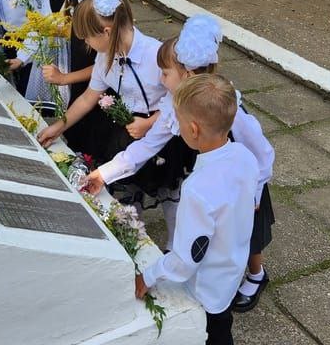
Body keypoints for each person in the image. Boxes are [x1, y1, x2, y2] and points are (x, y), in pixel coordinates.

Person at [86, 15, 275, 289]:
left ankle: (257, 275)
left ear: (186, 75)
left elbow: (263, 153)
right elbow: (147, 145)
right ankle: (221, 279)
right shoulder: (175, 105)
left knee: (249, 234)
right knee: (221, 235)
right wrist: (104, 174)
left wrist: (255, 190)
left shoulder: (229, 109)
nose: (160, 79)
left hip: (247, 182)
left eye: (165, 73)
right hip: (215, 174)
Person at [135, 73, 259, 345]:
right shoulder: (244, 156)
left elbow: (186, 258)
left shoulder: (197, 189)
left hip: (208, 288)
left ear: (193, 129)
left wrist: (148, 275)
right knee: (220, 335)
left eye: (177, 120)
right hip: (232, 267)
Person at [37, 0, 166, 172]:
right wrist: (59, 126)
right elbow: (88, 97)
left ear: (106, 32)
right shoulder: (105, 57)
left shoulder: (155, 56)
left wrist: (150, 123)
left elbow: (181, 103)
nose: (87, 44)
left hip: (161, 130)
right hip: (130, 129)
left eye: (88, 38)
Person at [42, 0, 117, 158]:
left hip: (97, 86)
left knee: (92, 137)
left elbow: (106, 63)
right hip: (82, 76)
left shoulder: (105, 8)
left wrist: (65, 78)